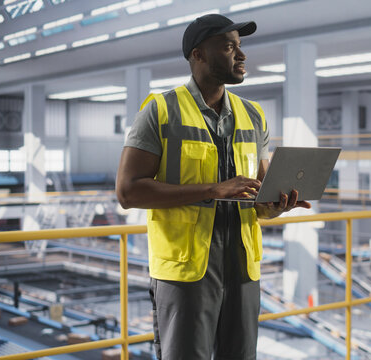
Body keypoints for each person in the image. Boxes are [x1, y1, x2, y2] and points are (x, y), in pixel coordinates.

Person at [115, 14, 310, 360]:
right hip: (185, 273)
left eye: (240, 45)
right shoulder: (160, 111)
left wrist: (275, 205)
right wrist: (212, 190)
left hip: (243, 270)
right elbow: (128, 192)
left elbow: (258, 197)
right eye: (228, 46)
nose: (241, 54)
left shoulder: (254, 115)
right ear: (198, 55)